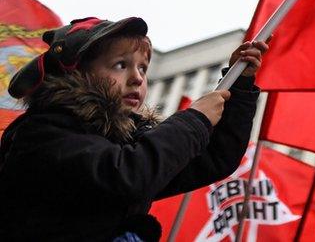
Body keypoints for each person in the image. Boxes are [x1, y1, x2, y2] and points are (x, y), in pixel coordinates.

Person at [0, 16, 267, 242]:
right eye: (121, 65)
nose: (137, 77)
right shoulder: (44, 132)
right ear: (76, 75)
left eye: (143, 68)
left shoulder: (120, 139)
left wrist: (239, 85)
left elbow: (215, 158)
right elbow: (129, 174)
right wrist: (195, 119)